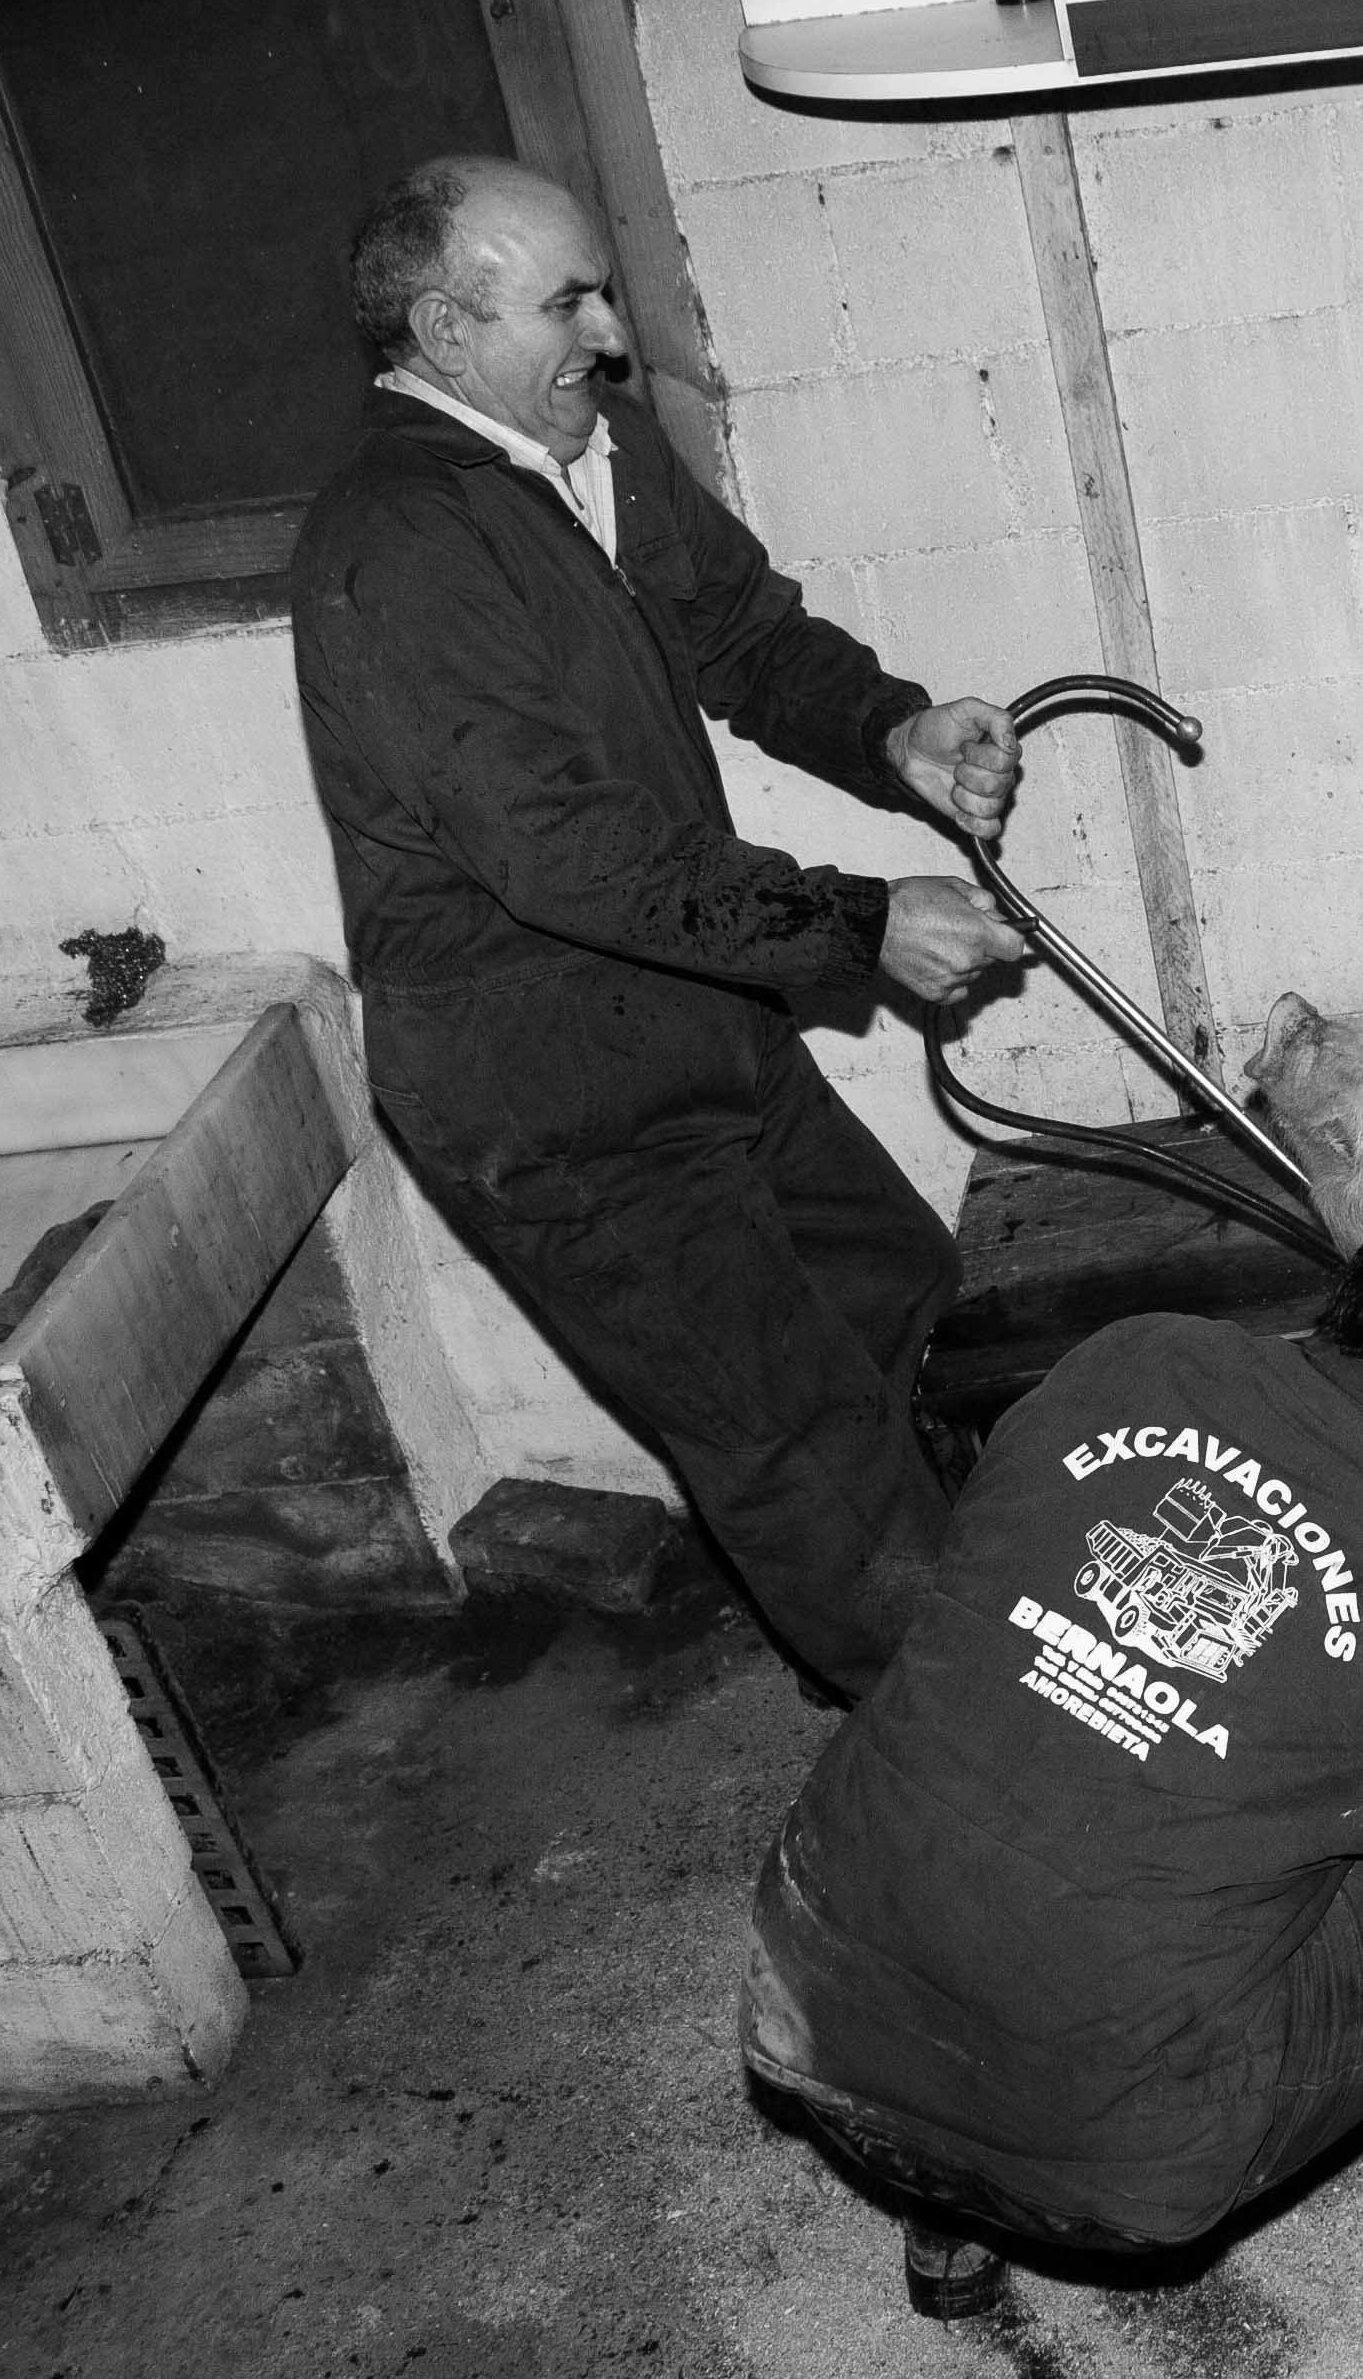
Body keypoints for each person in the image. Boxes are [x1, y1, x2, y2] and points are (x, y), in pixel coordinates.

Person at [290, 153, 1029, 1700]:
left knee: (886, 1278)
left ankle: (945, 1619)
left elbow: (743, 634)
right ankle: (962, 1725)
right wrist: (858, 923)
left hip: (687, 1004)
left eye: (604, 295)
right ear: (445, 330)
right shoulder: (402, 543)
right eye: (567, 305)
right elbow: (560, 854)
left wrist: (889, 732)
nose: (612, 337)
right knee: (797, 1438)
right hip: (545, 1083)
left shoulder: (593, 453)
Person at [742, 1187, 1363, 2379]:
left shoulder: (1129, 1357)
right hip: (1112, 2149)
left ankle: (948, 2221)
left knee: (1028, 1736)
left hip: (808, 1992)